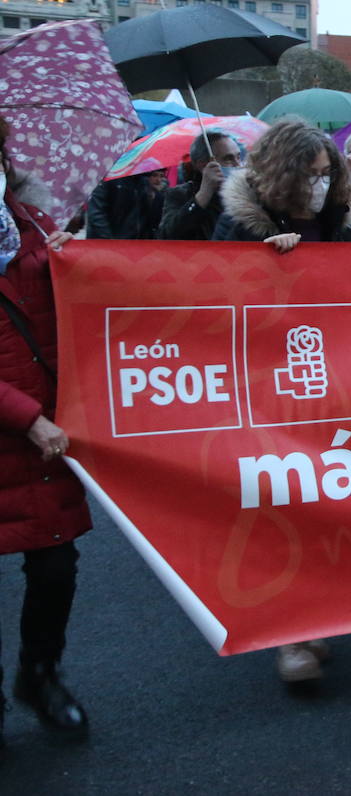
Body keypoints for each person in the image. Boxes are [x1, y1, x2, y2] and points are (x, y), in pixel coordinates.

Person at [211, 119, 351, 683]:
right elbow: (206, 295)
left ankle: (321, 616)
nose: (318, 186)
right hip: (266, 388)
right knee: (282, 504)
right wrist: (262, 263)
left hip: (335, 382)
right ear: (282, 173)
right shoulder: (239, 224)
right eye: (309, 176)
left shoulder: (338, 220)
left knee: (331, 501)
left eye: (325, 175)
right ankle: (293, 634)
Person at [0, 115, 91, 743]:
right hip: (25, 423)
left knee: (54, 565)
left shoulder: (28, 223)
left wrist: (77, 265)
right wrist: (26, 418)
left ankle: (39, 673)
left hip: (43, 433)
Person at [157, 129, 245, 240]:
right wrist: (203, 195)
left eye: (238, 157)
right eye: (228, 159)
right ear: (203, 165)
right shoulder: (180, 194)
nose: (238, 165)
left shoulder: (247, 195)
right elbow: (167, 236)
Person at [85, 169, 166, 239]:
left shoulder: (142, 182)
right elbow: (97, 214)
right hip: (108, 245)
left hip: (134, 246)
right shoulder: (107, 178)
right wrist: (109, 243)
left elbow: (145, 218)